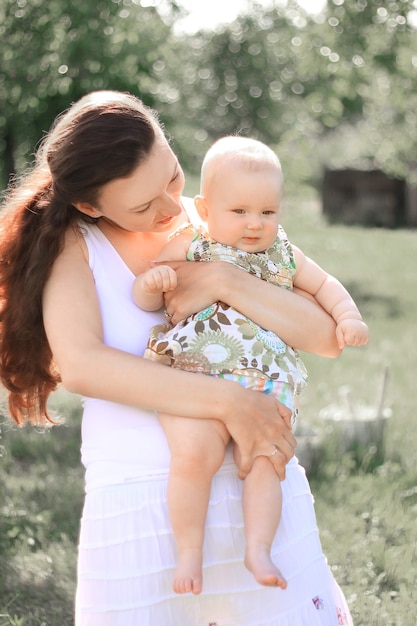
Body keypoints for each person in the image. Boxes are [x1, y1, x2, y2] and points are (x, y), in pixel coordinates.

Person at [0, 90, 354, 626]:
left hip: (256, 483)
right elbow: (84, 365)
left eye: (172, 176)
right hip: (141, 506)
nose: (170, 208)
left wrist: (222, 279)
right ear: (90, 205)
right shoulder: (75, 246)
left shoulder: (224, 218)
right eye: (143, 206)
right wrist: (232, 402)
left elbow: (326, 336)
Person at [133, 136, 369, 596]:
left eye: (268, 212)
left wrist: (349, 316)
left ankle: (258, 549)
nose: (255, 225)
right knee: (193, 456)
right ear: (205, 208)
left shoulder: (283, 253)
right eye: (239, 212)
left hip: (264, 379)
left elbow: (327, 285)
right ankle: (188, 553)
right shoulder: (192, 243)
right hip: (195, 375)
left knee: (265, 461)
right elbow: (150, 294)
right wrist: (153, 281)